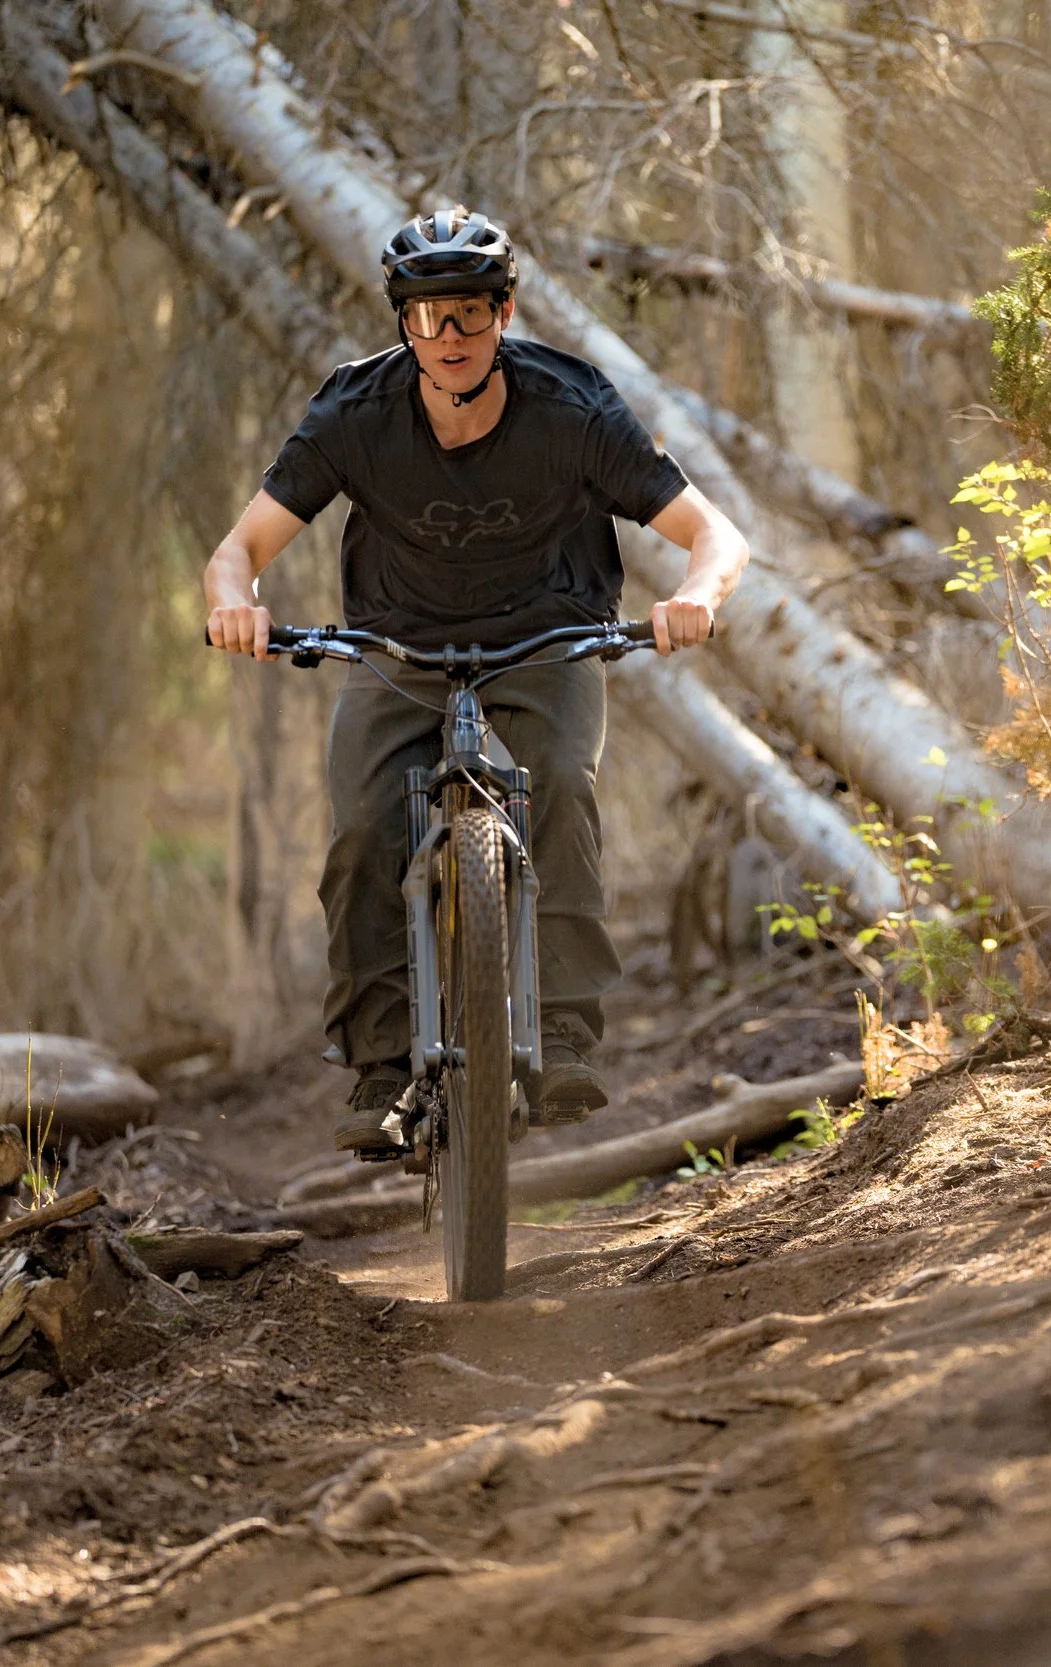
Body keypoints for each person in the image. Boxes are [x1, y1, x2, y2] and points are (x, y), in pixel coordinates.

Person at [202, 208, 750, 1152]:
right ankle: (380, 1066)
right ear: (400, 321)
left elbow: (715, 535)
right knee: (368, 825)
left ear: (504, 312)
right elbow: (237, 550)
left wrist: (697, 595)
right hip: (399, 649)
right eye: (424, 317)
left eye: (466, 314)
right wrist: (237, 602)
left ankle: (566, 1036)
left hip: (549, 640)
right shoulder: (355, 413)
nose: (445, 338)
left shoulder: (572, 407)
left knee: (564, 787)